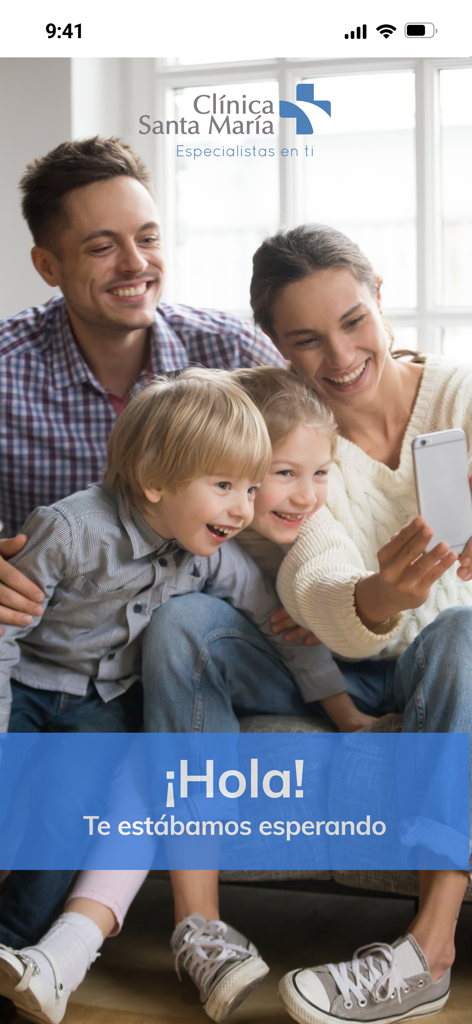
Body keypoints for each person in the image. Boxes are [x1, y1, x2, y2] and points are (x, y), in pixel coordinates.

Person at [0, 366, 388, 1024]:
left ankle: (14, 949)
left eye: (249, 487)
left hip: (103, 706)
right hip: (29, 683)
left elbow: (279, 627)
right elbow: (7, 626)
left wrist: (344, 710)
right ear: (156, 481)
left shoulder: (210, 553)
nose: (242, 508)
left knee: (66, 817)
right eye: (227, 486)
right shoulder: (69, 530)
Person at [0, 134, 283, 1024]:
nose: (136, 264)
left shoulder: (227, 350)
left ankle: (31, 944)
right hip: (33, 649)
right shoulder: (5, 368)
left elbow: (330, 431)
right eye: (102, 246)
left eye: (148, 237)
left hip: (145, 664)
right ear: (48, 265)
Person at [247, 224, 472, 1024]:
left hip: (460, 654)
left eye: (352, 322)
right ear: (275, 346)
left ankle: (429, 950)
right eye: (305, 340)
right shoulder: (300, 450)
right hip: (383, 664)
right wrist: (378, 595)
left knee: (460, 633)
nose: (340, 357)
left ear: (380, 299)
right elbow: (317, 580)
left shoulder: (459, 395)